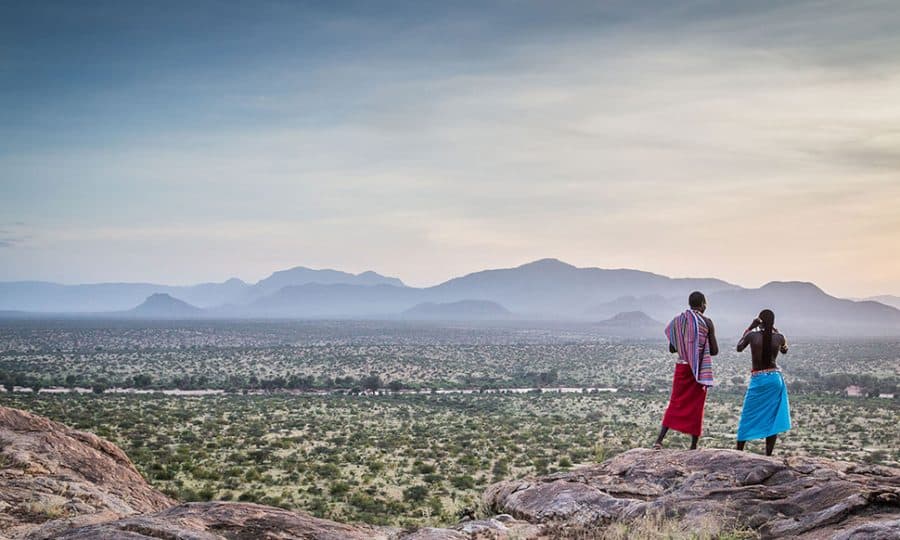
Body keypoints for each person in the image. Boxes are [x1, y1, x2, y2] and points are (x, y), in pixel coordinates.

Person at [653, 291, 718, 450]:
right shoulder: (707, 322)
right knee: (697, 406)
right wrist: (698, 347)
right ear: (702, 304)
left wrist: (686, 345)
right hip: (698, 370)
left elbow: (672, 348)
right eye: (705, 304)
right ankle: (693, 445)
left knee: (676, 402)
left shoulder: (678, 321)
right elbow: (714, 350)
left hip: (682, 367)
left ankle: (659, 440)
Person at [735, 309, 791, 456]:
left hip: (758, 380)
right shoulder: (779, 337)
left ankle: (739, 452)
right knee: (772, 418)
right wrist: (776, 332)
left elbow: (739, 347)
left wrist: (750, 327)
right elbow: (785, 350)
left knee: (748, 415)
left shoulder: (752, 336)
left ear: (759, 321)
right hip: (774, 380)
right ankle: (768, 455)